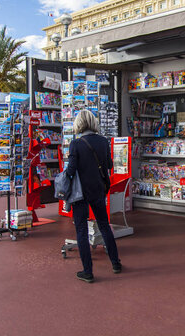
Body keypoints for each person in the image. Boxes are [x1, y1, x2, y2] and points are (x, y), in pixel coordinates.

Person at [66, 110, 121, 282]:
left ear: (78, 124)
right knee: (104, 226)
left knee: (81, 230)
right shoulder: (103, 141)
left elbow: (70, 171)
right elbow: (110, 165)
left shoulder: (76, 144)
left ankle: (88, 271)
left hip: (80, 194)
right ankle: (115, 263)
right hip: (98, 189)